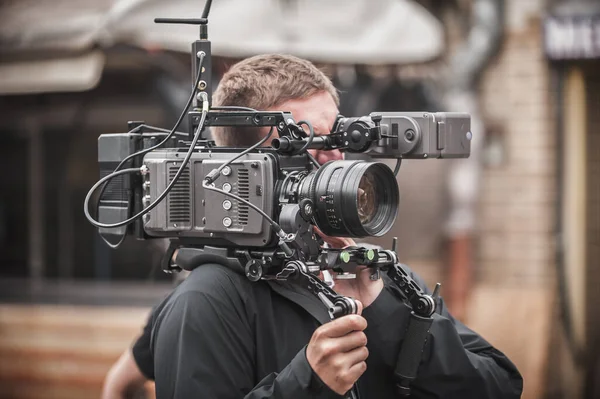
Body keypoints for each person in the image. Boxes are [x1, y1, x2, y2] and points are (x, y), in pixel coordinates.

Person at [110, 54, 524, 399]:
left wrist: (387, 313)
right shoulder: (206, 301)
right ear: (242, 170)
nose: (335, 160)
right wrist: (308, 384)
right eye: (306, 145)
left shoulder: (375, 274)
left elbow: (500, 385)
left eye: (337, 138)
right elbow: (122, 381)